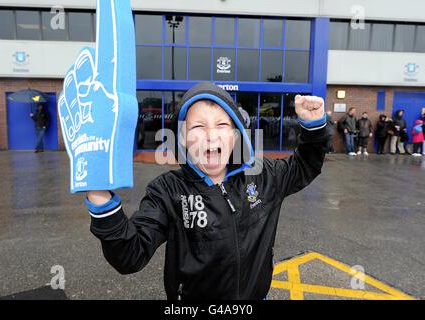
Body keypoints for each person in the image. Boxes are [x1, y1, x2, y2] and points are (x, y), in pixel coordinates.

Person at [85, 83, 328, 300]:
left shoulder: (263, 175)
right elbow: (129, 255)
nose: (211, 136)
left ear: (235, 135)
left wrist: (314, 126)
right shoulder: (167, 191)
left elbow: (305, 165)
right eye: (198, 127)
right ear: (183, 138)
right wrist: (98, 194)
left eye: (222, 124)